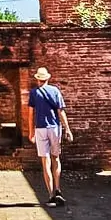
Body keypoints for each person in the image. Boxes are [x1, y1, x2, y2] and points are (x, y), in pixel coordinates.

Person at [27, 66, 73, 207]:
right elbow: (61, 112)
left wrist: (31, 132)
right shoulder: (55, 91)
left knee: (45, 161)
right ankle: (58, 189)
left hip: (40, 128)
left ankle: (51, 195)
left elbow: (30, 114)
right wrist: (67, 129)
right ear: (47, 78)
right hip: (54, 128)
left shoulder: (34, 93)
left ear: (37, 79)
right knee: (56, 158)